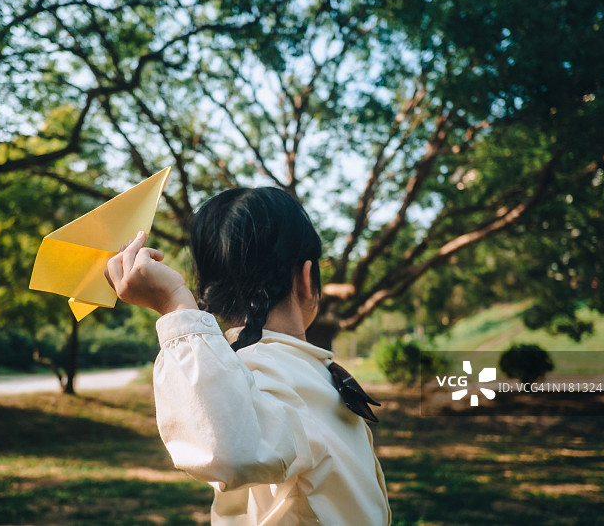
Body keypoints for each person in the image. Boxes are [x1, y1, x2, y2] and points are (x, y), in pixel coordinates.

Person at [104, 187, 391, 525]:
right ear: (306, 276)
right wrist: (174, 306)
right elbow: (225, 451)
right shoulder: (268, 370)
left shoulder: (274, 367)